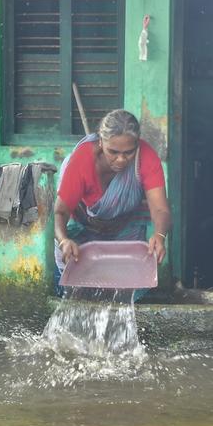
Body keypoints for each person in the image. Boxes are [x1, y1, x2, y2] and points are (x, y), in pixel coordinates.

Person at [54, 109, 172, 291]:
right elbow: (61, 211)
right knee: (78, 289)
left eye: (129, 152)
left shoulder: (146, 158)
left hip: (124, 231)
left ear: (138, 145)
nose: (121, 160)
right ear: (100, 142)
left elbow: (160, 209)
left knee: (126, 289)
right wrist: (64, 241)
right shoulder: (83, 160)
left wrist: (159, 235)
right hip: (83, 232)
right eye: (113, 152)